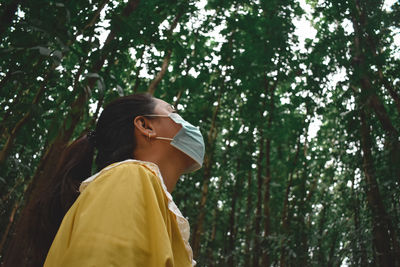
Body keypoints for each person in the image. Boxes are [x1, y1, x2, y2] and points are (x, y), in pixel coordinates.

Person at [43, 93, 204, 266]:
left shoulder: (148, 195)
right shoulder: (128, 177)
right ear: (145, 126)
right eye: (173, 111)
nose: (188, 124)